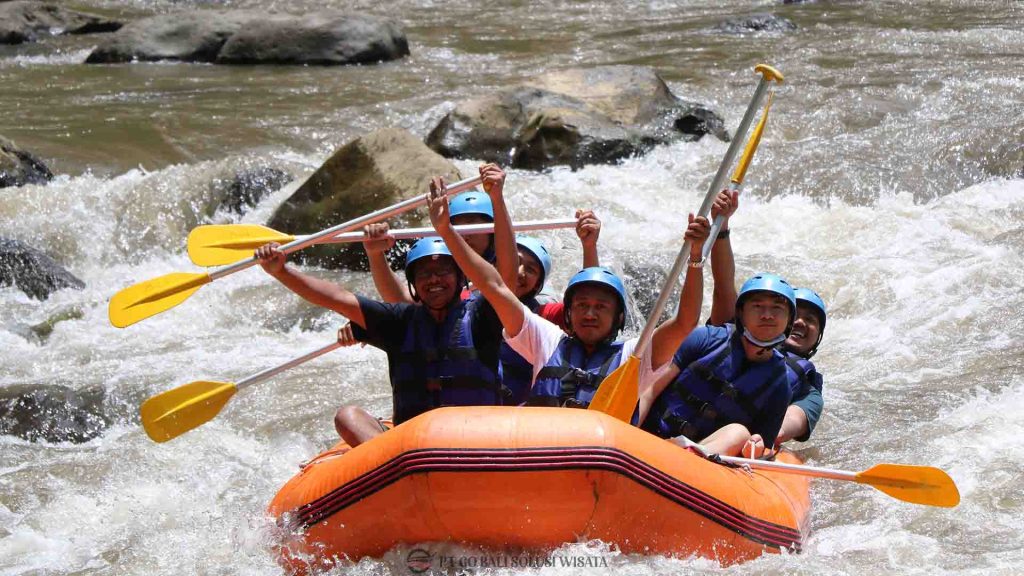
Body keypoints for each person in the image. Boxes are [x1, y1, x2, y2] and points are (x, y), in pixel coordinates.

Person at [425, 175, 712, 410]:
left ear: (619, 317)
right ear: (569, 313)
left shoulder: (634, 356)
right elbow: (495, 286)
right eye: (582, 305)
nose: (589, 313)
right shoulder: (547, 340)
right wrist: (447, 232)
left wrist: (696, 257)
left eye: (601, 307)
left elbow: (685, 322)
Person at [254, 236, 505, 447]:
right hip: (410, 447)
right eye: (424, 274)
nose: (434, 280)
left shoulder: (483, 316)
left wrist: (496, 198)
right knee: (348, 417)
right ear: (414, 284)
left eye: (443, 272)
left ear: (461, 278)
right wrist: (282, 271)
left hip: (475, 440)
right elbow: (336, 298)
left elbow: (504, 278)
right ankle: (398, 473)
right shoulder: (399, 321)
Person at [704, 189, 828, 449]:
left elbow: (792, 420)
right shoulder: (733, 336)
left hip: (736, 445)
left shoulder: (808, 391)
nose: (802, 323)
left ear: (818, 337)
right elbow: (724, 286)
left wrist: (768, 435)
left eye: (811, 319)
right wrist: (722, 227)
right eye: (796, 315)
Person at [638, 273, 796, 457]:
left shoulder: (779, 387)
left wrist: (755, 445)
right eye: (757, 306)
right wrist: (627, 431)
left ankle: (684, 462)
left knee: (739, 433)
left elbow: (762, 448)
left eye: (777, 308)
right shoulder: (705, 339)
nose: (767, 315)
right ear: (741, 313)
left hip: (699, 459)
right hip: (650, 437)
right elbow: (649, 392)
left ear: (789, 320)